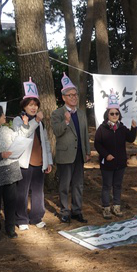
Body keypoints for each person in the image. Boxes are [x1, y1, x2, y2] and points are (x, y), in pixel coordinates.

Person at [13, 78, 53, 230]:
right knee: (22, 192)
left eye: (35, 105)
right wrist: (35, 121)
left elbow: (46, 142)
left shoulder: (40, 122)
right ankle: (21, 218)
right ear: (24, 106)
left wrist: (48, 161)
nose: (34, 107)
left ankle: (36, 217)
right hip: (24, 162)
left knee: (38, 191)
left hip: (39, 160)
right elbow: (21, 135)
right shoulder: (18, 120)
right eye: (30, 105)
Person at [51, 73, 90, 224]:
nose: (74, 97)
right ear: (64, 97)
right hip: (65, 155)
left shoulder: (81, 113)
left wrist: (87, 151)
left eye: (75, 94)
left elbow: (85, 133)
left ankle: (76, 211)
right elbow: (57, 131)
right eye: (70, 95)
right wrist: (66, 122)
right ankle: (64, 212)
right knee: (64, 185)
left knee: (78, 184)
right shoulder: (57, 113)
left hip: (79, 154)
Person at [94, 92, 137, 219]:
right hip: (107, 163)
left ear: (119, 115)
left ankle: (116, 207)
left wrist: (134, 128)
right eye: (112, 113)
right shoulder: (102, 129)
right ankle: (106, 208)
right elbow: (97, 144)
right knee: (107, 186)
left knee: (117, 185)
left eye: (116, 113)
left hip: (120, 163)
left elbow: (131, 139)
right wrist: (106, 155)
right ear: (107, 115)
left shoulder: (122, 128)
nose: (114, 116)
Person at [0, 104, 22, 240]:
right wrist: (0, 155)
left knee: (11, 202)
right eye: (2, 114)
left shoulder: (7, 130)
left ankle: (10, 228)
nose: (5, 116)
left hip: (11, 169)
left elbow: (18, 140)